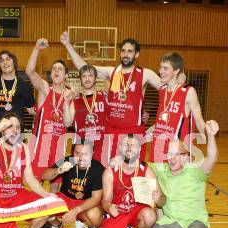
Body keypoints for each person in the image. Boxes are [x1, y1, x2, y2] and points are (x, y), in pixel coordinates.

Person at [61, 33, 163, 161]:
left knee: (131, 171)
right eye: (123, 51)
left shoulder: (145, 74)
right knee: (110, 170)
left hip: (133, 132)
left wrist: (179, 80)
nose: (126, 54)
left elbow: (168, 89)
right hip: (111, 132)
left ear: (137, 54)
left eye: (130, 51)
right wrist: (68, 45)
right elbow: (84, 69)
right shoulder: (112, 72)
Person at [141, 120, 219, 228]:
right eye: (169, 153)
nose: (171, 158)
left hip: (193, 221)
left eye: (177, 154)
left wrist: (211, 136)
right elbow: (138, 164)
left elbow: (212, 157)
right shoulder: (161, 169)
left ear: (186, 157)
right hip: (171, 222)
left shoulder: (196, 171)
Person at [96, 134, 159, 228]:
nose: (129, 148)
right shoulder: (110, 171)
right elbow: (105, 200)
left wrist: (157, 198)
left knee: (150, 215)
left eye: (133, 145)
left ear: (140, 149)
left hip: (136, 212)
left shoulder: (146, 171)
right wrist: (109, 207)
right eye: (126, 145)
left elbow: (157, 198)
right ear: (119, 148)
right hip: (117, 212)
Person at [25, 38, 75, 191]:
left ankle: (52, 215)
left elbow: (67, 123)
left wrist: (67, 102)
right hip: (40, 147)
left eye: (60, 69)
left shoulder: (71, 97)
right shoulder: (45, 89)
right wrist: (36, 49)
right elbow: (29, 72)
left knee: (55, 189)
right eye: (54, 69)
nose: (56, 71)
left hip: (58, 148)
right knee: (36, 189)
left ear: (66, 75)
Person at [42, 141, 103, 228]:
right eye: (77, 153)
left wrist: (76, 211)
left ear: (92, 153)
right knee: (44, 205)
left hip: (86, 203)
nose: (80, 157)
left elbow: (96, 198)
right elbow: (45, 176)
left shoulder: (98, 168)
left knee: (95, 215)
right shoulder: (67, 160)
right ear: (72, 153)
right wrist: (59, 170)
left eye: (85, 154)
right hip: (66, 199)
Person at [149, 52, 205, 163]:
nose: (160, 71)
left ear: (176, 71)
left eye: (165, 68)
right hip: (158, 150)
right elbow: (168, 117)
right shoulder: (162, 90)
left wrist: (210, 137)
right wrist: (155, 126)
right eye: (160, 67)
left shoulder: (189, 92)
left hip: (177, 154)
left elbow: (199, 121)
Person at [0, 50, 35, 127]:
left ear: (14, 62)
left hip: (15, 133)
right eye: (1, 61)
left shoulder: (25, 86)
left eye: (8, 59)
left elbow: (31, 110)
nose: (5, 62)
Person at [72, 65, 108, 166]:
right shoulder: (75, 100)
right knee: (83, 178)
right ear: (80, 79)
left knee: (101, 177)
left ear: (95, 78)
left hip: (102, 146)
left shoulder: (104, 96)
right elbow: (67, 122)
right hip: (82, 147)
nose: (87, 78)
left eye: (90, 75)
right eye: (84, 76)